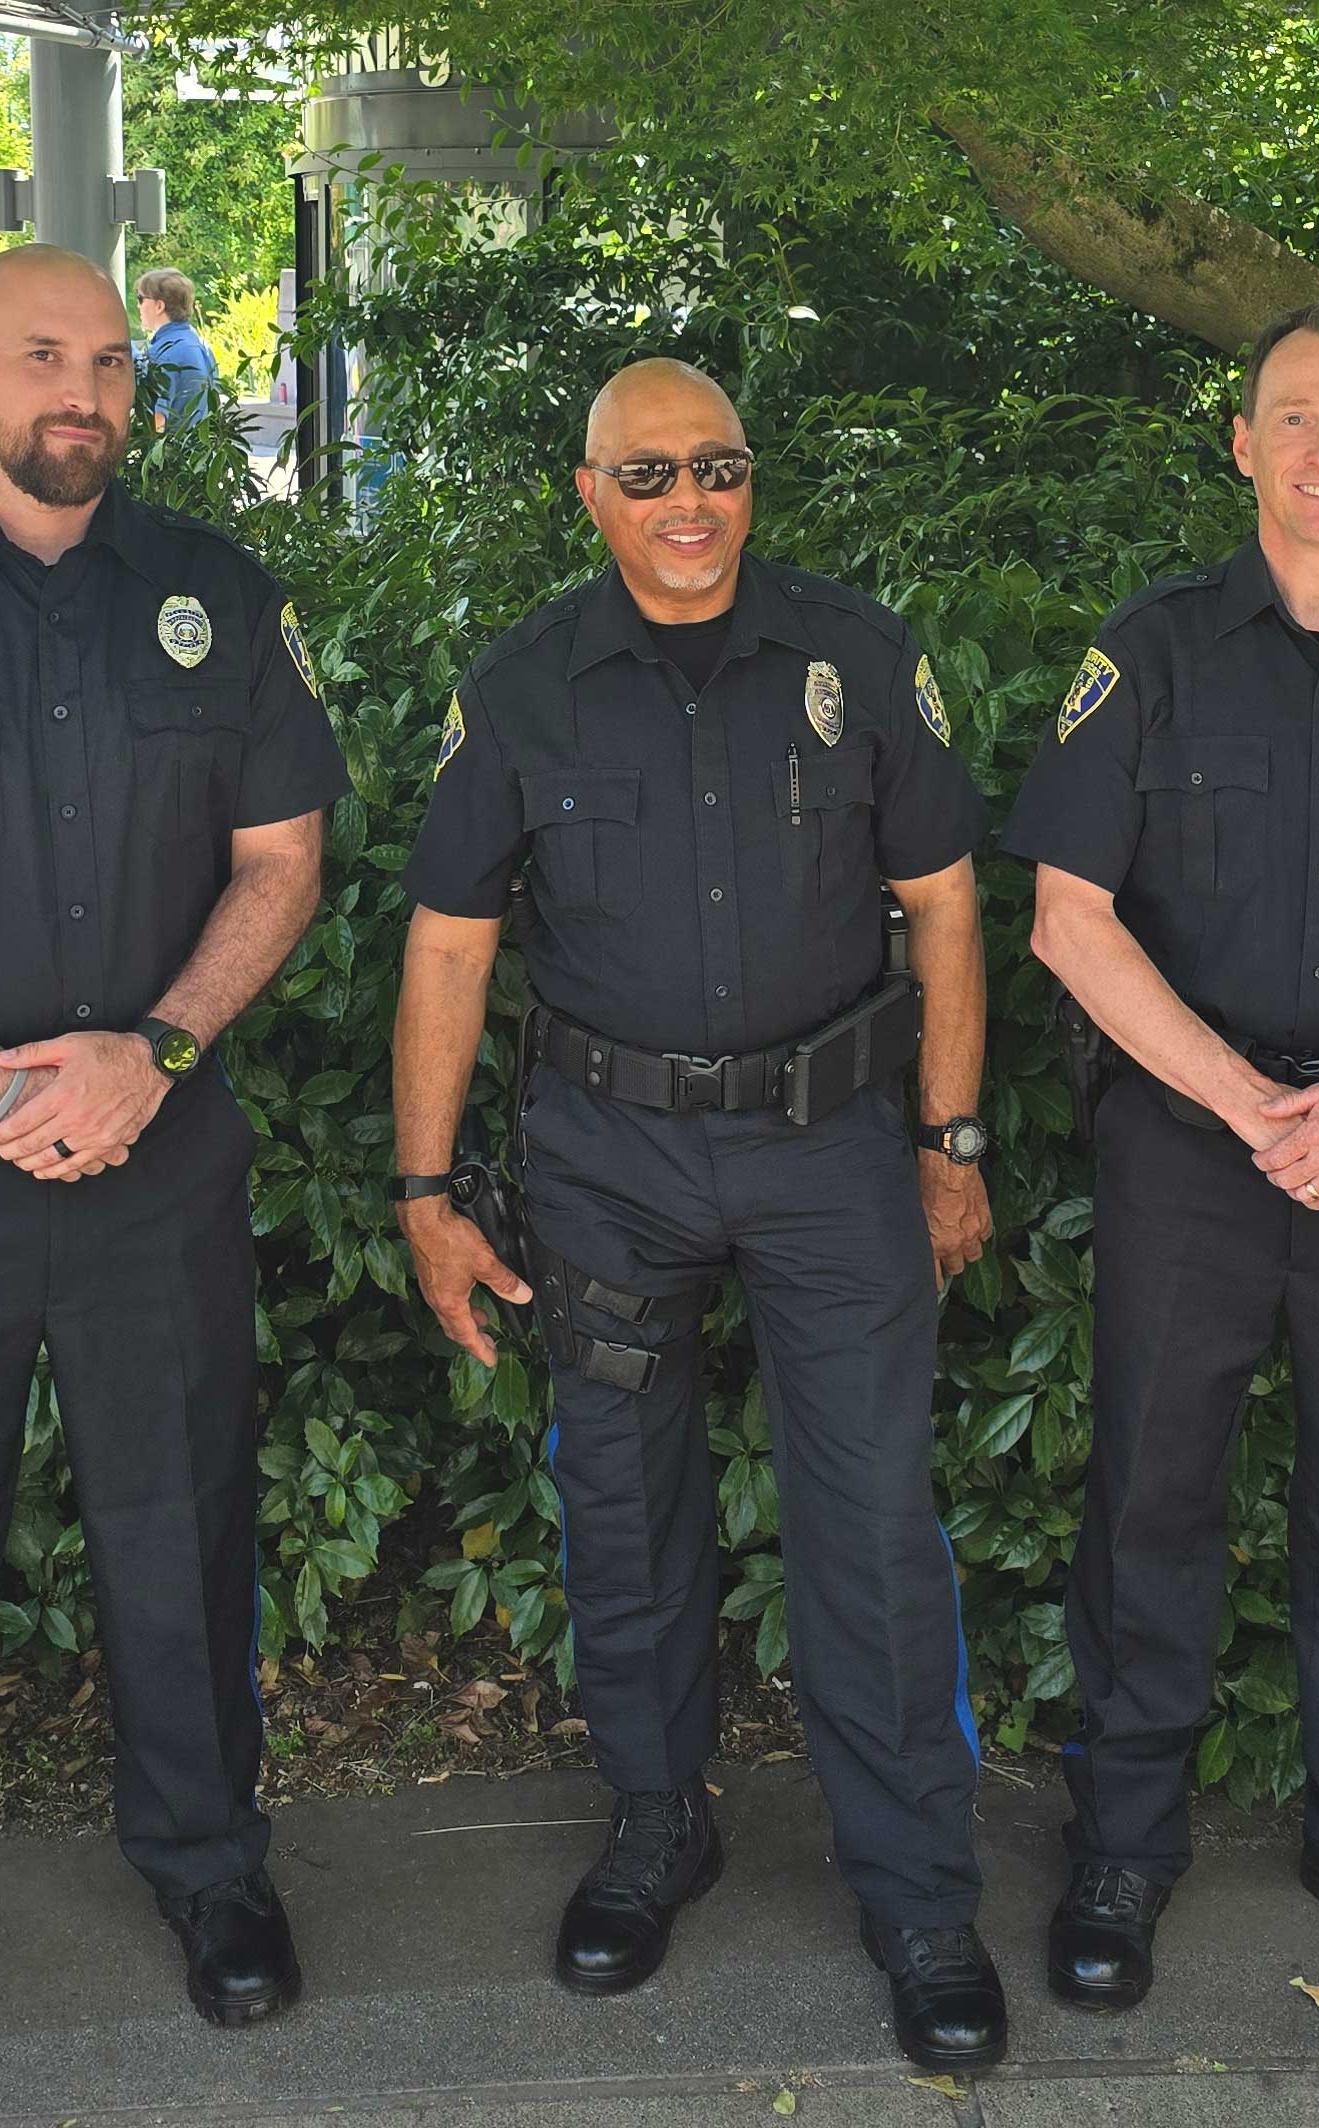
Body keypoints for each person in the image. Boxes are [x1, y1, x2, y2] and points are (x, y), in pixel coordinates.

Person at [394, 356, 1007, 2071]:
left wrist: (951, 1139)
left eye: (718, 469)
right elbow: (449, 943)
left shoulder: (859, 659)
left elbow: (945, 908)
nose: (688, 504)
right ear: (586, 493)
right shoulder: (521, 689)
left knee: (873, 1517)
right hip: (606, 1154)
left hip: (831, 1151)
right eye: (648, 474)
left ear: (754, 483)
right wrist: (424, 1192)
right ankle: (662, 1821)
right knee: (621, 1498)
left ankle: (917, 1893)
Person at [1000, 300, 1319, 2009]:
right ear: (1240, 443)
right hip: (1190, 1145)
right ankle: (1128, 1838)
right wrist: (1250, 1107)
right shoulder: (1149, 654)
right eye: (1293, 415)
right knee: (1153, 1493)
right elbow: (1067, 921)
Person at [0, 244, 349, 2023]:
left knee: (180, 1526)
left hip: (156, 1155)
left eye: (111, 363)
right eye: (43, 355)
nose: (86, 390)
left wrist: (147, 1049)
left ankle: (214, 1876)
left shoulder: (216, 591)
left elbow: (282, 861)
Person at [136, 268, 218, 432]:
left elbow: (157, 419)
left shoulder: (164, 352)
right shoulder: (202, 345)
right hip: (200, 450)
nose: (138, 306)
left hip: (173, 452)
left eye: (141, 299)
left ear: (159, 306)